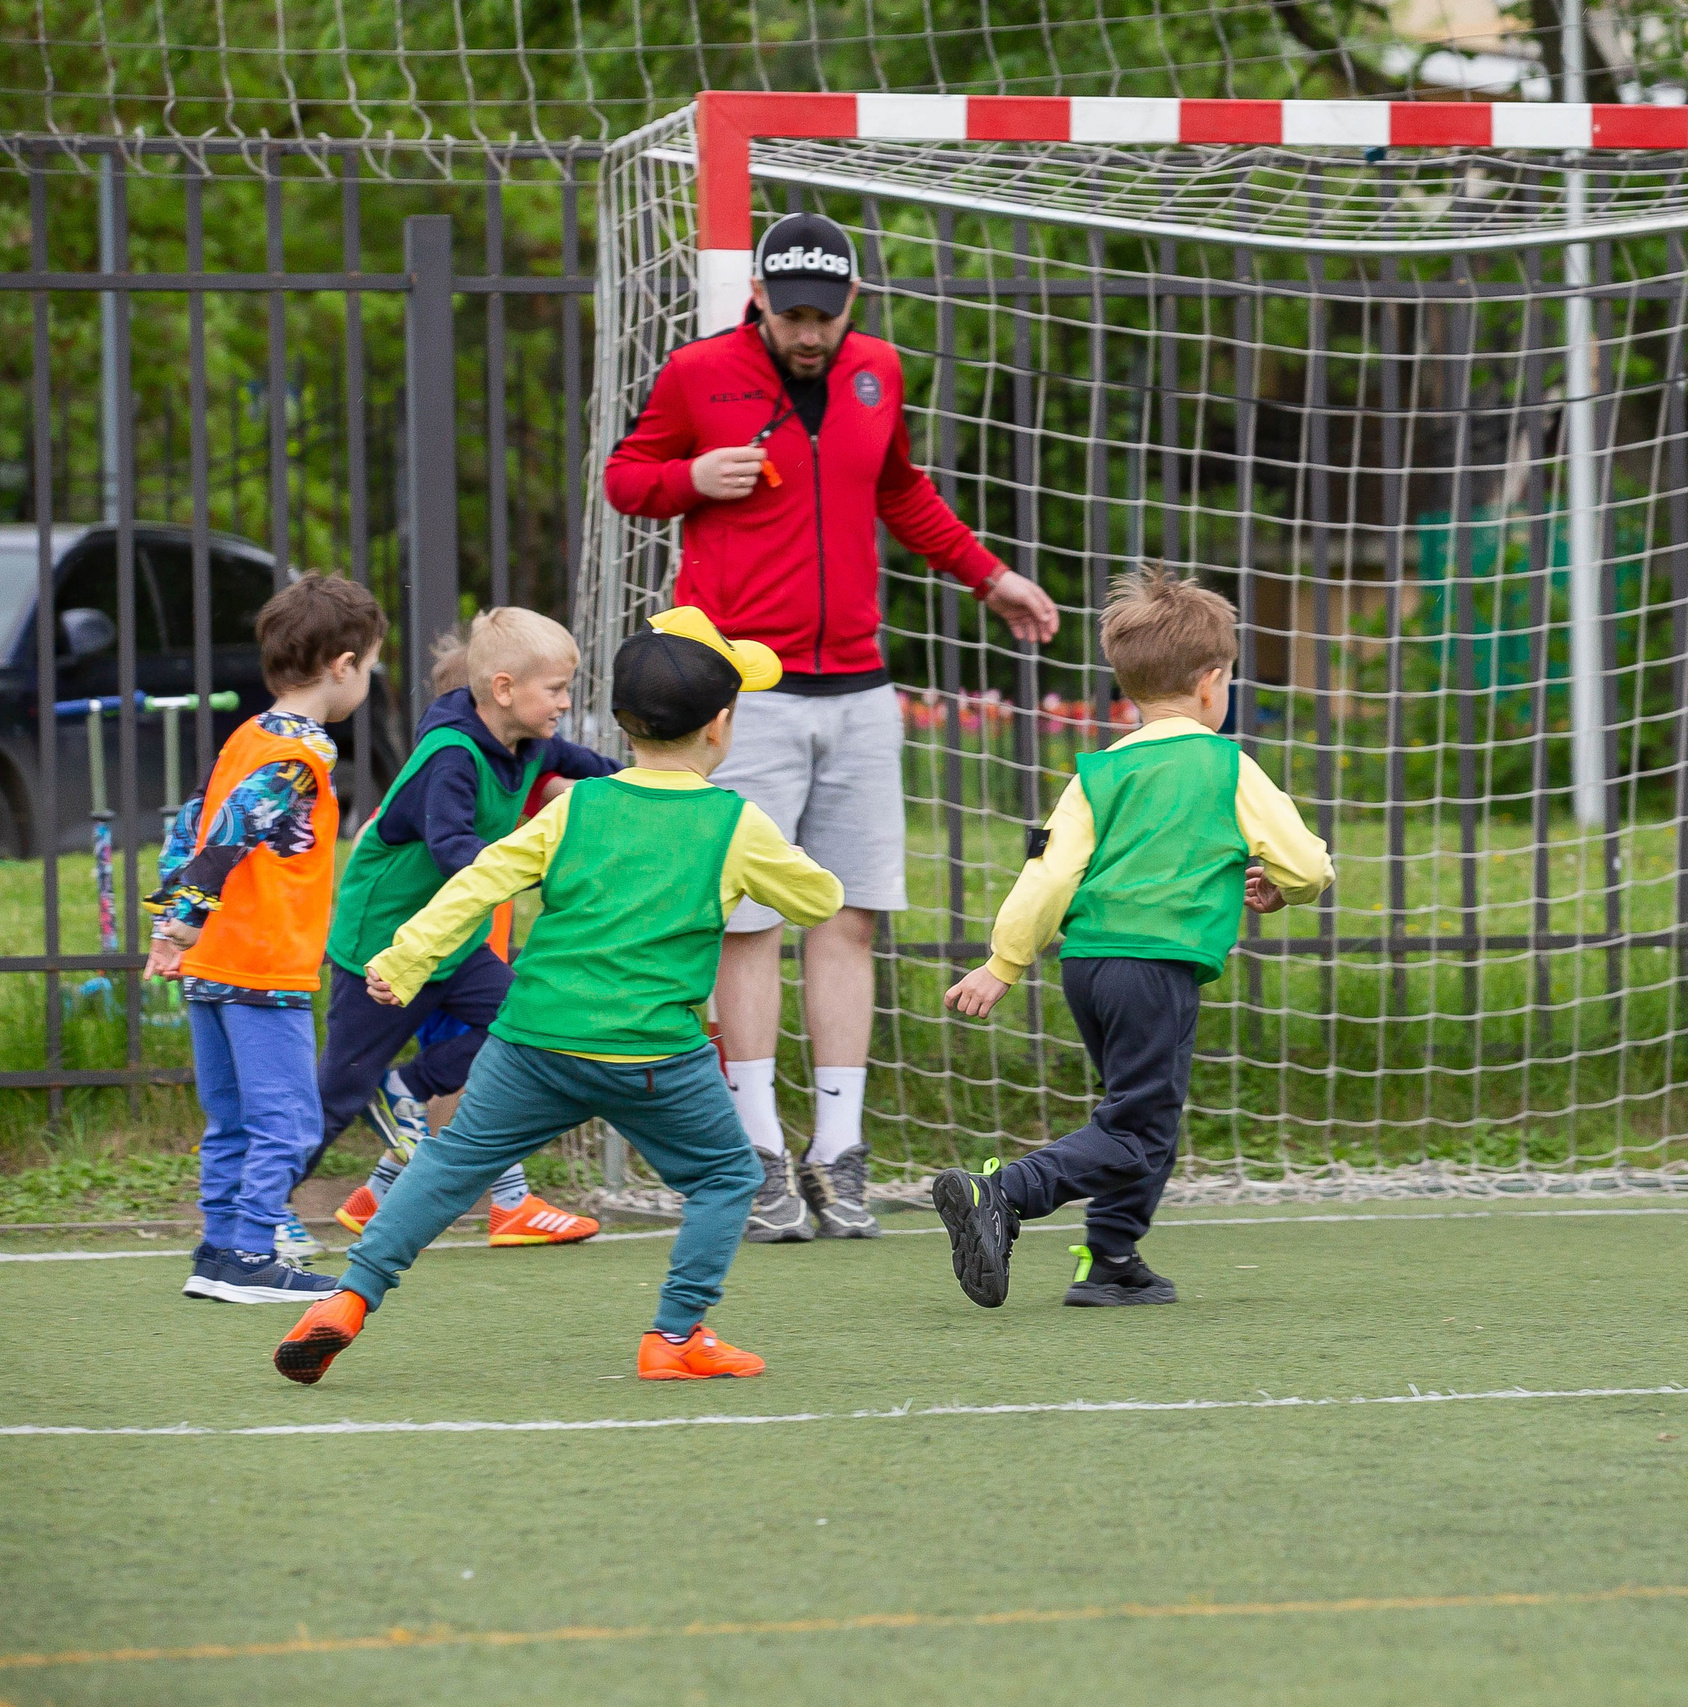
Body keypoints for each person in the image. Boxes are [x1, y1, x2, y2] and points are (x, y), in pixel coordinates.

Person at [603, 210, 1059, 1246]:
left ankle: (839, 1155)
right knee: (747, 922)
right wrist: (689, 481)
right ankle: (758, 1152)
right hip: (742, 688)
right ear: (759, 296)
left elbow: (898, 488)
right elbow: (627, 478)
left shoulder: (876, 374)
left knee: (848, 916)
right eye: (791, 312)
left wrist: (989, 579)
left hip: (856, 687)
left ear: (851, 304)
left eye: (826, 313)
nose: (809, 333)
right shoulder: (697, 374)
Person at [272, 608, 846, 1386]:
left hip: (533, 1041)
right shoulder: (735, 821)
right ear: (721, 726)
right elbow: (817, 900)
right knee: (727, 1178)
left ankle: (347, 1298)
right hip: (656, 1056)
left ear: (623, 720)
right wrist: (787, 861)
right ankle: (676, 1333)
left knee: (446, 1165)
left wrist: (407, 958)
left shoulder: (574, 804)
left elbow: (480, 878)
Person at [936, 565, 1331, 1308]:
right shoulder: (1226, 766)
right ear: (1213, 682)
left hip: (1089, 966)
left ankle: (1112, 1258)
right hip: (1157, 969)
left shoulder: (1098, 773)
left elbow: (1050, 875)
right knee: (1136, 1128)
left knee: (1142, 1113)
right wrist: (1290, 888)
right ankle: (1004, 1193)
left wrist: (1004, 962)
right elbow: (1306, 860)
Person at [314, 607, 619, 1247]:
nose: (567, 703)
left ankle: (404, 1089)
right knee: (336, 1094)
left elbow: (595, 770)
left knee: (525, 1019)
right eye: (558, 690)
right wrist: (542, 871)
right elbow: (454, 848)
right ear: (504, 690)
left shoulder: (529, 746)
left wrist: (652, 790)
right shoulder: (448, 758)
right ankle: (255, 1214)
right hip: (384, 948)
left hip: (450, 946)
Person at [146, 575, 385, 1304]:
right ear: (343, 665)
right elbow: (232, 827)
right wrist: (186, 911)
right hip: (262, 962)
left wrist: (174, 919)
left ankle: (219, 1250)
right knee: (286, 1118)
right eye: (371, 666)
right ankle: (251, 1252)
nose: (369, 680)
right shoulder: (304, 752)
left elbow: (189, 820)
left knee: (233, 1118)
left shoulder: (249, 734)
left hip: (214, 959)